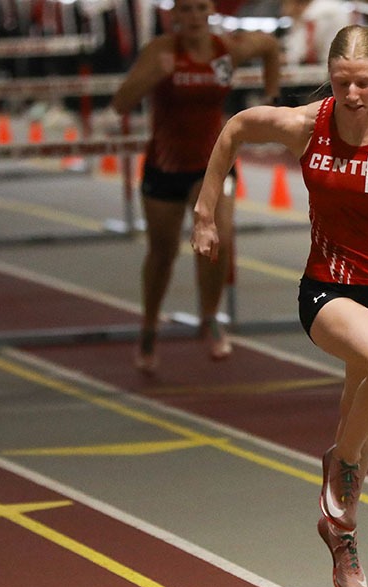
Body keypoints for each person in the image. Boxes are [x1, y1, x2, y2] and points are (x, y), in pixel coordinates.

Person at [191, 24, 368, 587]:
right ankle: (335, 468)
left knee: (362, 418)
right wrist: (206, 210)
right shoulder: (307, 124)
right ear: (329, 80)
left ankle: (342, 533)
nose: (353, 95)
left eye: (364, 83)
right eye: (341, 83)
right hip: (328, 290)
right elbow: (236, 128)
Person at [111, 0, 281, 373]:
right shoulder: (160, 51)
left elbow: (269, 46)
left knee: (219, 239)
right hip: (165, 165)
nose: (191, 17)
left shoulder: (227, 50)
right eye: (183, 10)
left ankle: (210, 315)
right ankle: (150, 326)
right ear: (173, 17)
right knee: (163, 253)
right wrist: (152, 76)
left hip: (212, 164)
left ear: (209, 13)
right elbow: (121, 103)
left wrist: (271, 98)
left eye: (198, 9)